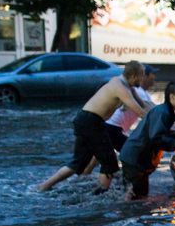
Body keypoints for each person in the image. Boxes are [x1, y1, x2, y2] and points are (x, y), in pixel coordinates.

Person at [37, 61, 149, 193]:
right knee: (109, 162)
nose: (143, 79)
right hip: (90, 121)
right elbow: (140, 112)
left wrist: (165, 112)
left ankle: (43, 186)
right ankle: (101, 195)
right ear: (134, 76)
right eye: (142, 76)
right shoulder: (119, 87)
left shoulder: (126, 86)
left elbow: (144, 106)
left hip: (85, 120)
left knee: (78, 163)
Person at [120, 82, 175, 200]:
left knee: (139, 196)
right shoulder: (163, 112)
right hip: (135, 159)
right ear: (172, 97)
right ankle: (121, 215)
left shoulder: (166, 111)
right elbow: (156, 139)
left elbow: (159, 134)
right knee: (134, 197)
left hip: (136, 159)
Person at [81, 64, 158, 176]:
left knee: (99, 158)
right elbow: (147, 111)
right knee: (132, 154)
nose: (155, 77)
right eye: (152, 74)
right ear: (144, 76)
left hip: (111, 127)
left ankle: (85, 178)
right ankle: (124, 182)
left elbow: (151, 107)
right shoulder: (138, 92)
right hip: (112, 128)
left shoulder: (143, 93)